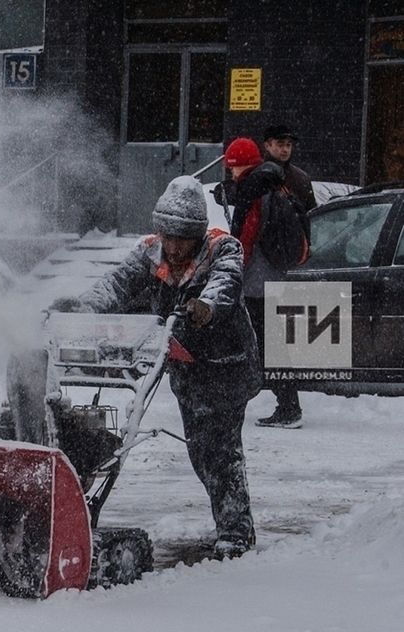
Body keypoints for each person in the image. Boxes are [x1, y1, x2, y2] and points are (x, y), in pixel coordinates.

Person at [46, 176, 260, 559]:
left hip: (225, 366)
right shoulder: (149, 252)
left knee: (221, 450)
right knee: (201, 452)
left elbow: (226, 283)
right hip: (185, 367)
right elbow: (114, 286)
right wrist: (81, 309)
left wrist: (204, 307)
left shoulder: (221, 248)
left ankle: (236, 532)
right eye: (168, 237)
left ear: (197, 235)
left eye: (182, 239)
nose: (174, 248)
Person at [223, 135, 305, 428]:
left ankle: (287, 407)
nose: (229, 173)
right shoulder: (269, 180)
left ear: (240, 164)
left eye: (231, 167)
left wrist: (235, 266)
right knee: (270, 342)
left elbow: (247, 234)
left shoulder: (254, 186)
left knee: (266, 344)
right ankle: (285, 404)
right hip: (270, 273)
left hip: (257, 279)